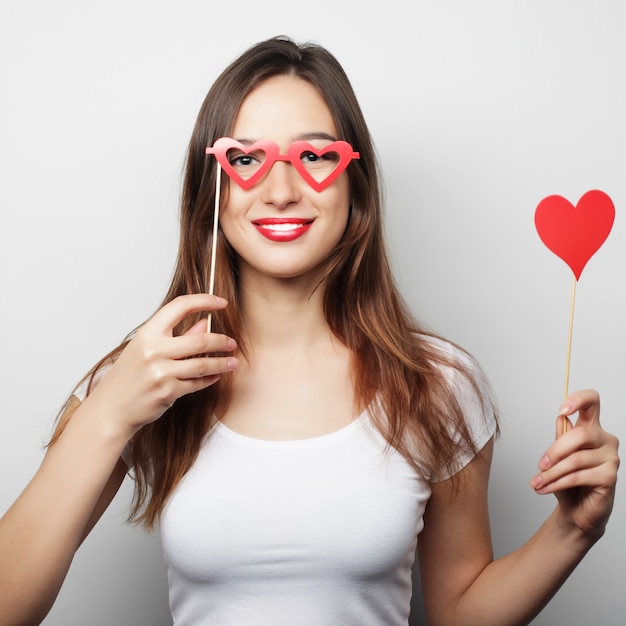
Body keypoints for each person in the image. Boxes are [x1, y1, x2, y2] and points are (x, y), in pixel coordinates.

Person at [0, 36, 619, 626]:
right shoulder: (148, 373)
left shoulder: (438, 384)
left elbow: (460, 611)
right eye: (245, 159)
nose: (280, 190)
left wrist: (572, 530)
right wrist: (110, 411)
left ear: (356, 186)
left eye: (316, 156)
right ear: (210, 189)